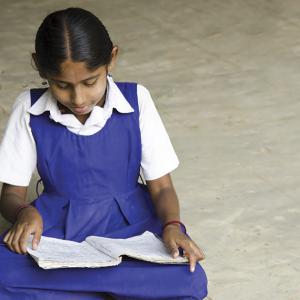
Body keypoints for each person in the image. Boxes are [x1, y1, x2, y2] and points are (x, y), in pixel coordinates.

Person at [0, 7, 208, 300]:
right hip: (57, 226)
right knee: (3, 274)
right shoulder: (29, 107)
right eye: (61, 86)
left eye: (90, 82)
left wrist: (172, 226)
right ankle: (117, 288)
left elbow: (161, 187)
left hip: (130, 224)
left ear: (112, 58)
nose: (79, 98)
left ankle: (80, 289)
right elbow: (10, 196)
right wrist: (25, 212)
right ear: (39, 67)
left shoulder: (137, 101)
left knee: (189, 280)